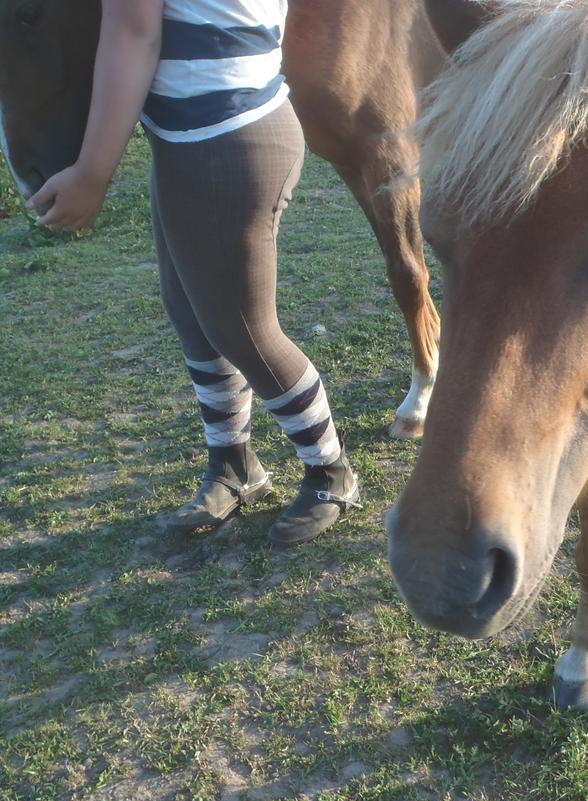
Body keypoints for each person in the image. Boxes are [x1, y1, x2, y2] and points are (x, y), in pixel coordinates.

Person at [27, 0, 361, 545]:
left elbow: (134, 33)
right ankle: (233, 466)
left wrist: (93, 173)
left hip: (225, 137)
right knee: (193, 314)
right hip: (201, 134)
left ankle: (331, 472)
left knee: (242, 329)